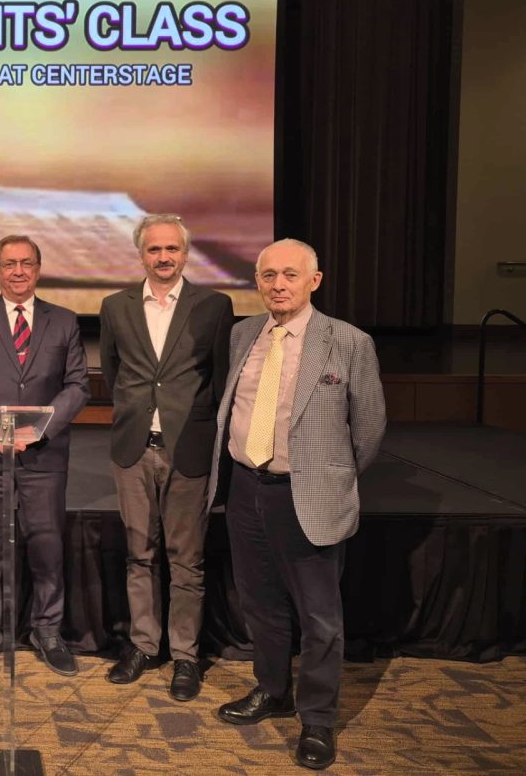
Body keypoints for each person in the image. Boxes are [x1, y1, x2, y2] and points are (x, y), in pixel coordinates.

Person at [212, 238, 386, 771]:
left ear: (315, 280)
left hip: (306, 495)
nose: (278, 285)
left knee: (319, 618)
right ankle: (272, 690)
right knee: (259, 604)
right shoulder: (244, 333)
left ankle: (317, 719)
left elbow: (369, 429)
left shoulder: (348, 342)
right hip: (246, 489)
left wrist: (327, 479)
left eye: (290, 274)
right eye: (268, 275)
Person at [98, 214, 233, 700]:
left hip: (188, 448)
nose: (163, 257)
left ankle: (185, 656)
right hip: (133, 447)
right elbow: (113, 370)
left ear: (185, 254)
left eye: (172, 249)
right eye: (154, 249)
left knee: (186, 560)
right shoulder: (115, 306)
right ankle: (142, 645)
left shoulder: (214, 305)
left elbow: (220, 377)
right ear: (141, 255)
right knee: (139, 554)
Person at [0, 234, 89, 676]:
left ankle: (47, 631)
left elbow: (77, 386)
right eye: (9, 264)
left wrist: (39, 429)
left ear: (38, 269)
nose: (18, 271)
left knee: (47, 545)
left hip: (43, 456)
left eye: (27, 263)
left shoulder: (64, 320)